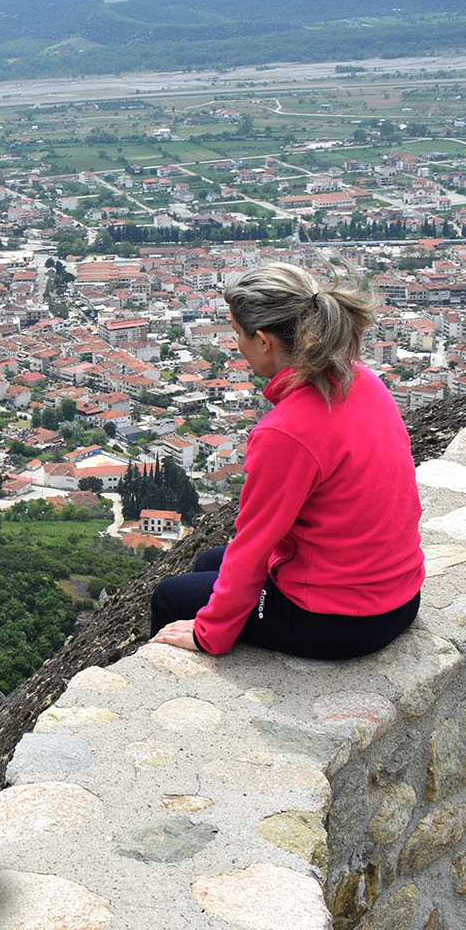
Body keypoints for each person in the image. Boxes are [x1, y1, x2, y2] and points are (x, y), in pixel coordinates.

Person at [149, 262, 422, 660]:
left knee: (171, 597)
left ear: (263, 341)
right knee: (209, 560)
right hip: (398, 594)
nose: (236, 346)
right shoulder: (361, 379)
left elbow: (254, 545)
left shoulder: (286, 432)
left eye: (237, 335)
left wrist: (210, 632)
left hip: (340, 621)